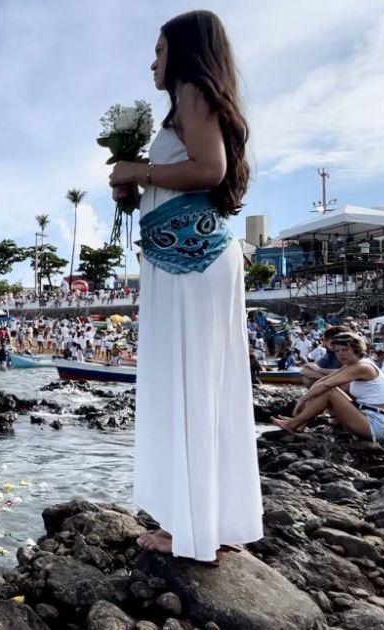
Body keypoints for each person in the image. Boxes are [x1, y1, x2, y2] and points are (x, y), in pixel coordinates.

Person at [109, 10, 261, 565]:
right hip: (186, 259)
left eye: (159, 50)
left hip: (189, 264)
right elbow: (187, 175)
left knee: (190, 383)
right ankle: (208, 519)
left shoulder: (194, 91)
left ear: (186, 52)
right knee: (203, 384)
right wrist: (134, 185)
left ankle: (192, 531)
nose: (152, 61)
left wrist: (139, 171)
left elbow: (209, 169)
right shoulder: (187, 105)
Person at [274, 333, 384, 442]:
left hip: (374, 426)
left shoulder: (363, 367)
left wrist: (303, 400)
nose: (340, 354)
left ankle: (293, 424)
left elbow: (327, 385)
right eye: (337, 351)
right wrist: (306, 400)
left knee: (330, 392)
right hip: (363, 417)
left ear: (356, 349)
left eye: (345, 349)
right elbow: (323, 381)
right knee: (329, 390)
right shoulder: (352, 365)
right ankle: (299, 424)